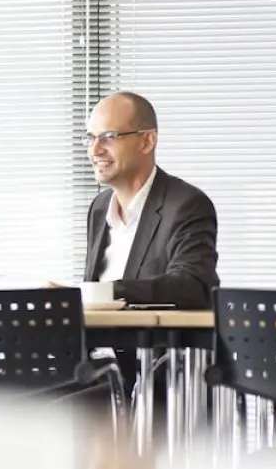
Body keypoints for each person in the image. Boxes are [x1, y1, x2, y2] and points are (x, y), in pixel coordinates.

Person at [70, 92, 219, 308]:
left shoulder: (186, 205)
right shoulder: (99, 208)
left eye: (109, 137)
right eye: (90, 138)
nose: (95, 150)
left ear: (147, 141)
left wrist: (104, 292)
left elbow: (193, 286)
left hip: (152, 341)